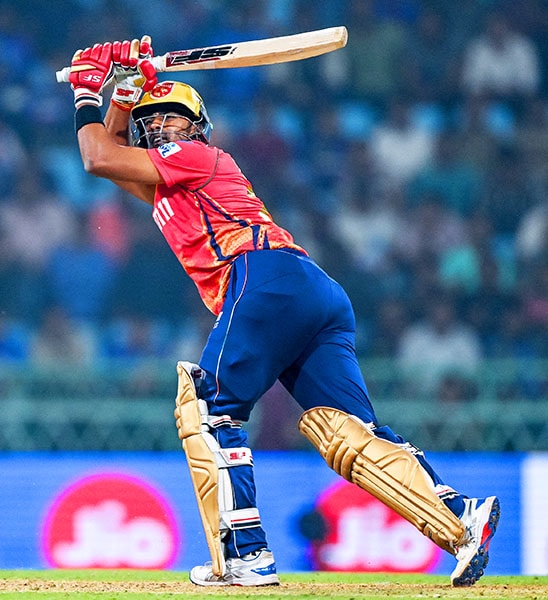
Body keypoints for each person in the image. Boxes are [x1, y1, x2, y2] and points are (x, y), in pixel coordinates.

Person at [65, 38, 499, 588]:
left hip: (263, 279)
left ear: (197, 129)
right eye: (153, 123)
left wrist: (86, 88)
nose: (161, 130)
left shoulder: (197, 158)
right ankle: (462, 519)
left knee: (208, 407)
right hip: (309, 291)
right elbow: (109, 162)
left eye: (173, 120)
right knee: (348, 433)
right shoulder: (164, 185)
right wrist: (124, 94)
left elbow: (96, 154)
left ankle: (244, 556)